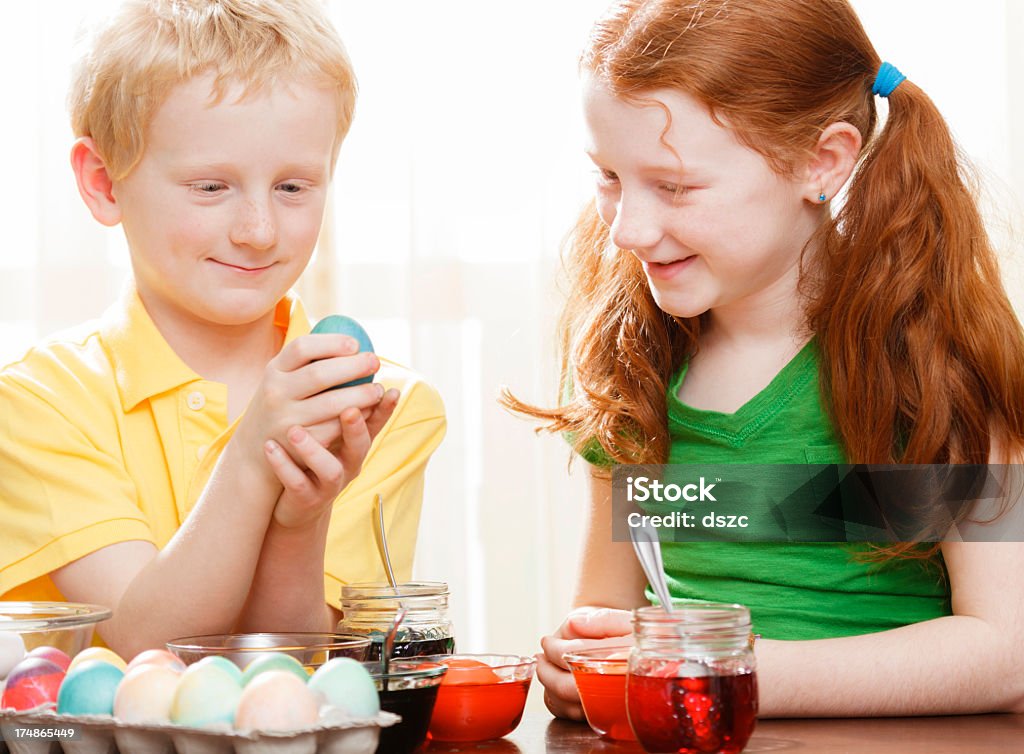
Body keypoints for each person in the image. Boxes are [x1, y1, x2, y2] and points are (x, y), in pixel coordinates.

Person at [504, 0, 1024, 717]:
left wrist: (729, 671)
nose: (628, 227)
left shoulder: (931, 363)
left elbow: (1005, 649)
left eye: (676, 185)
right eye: (609, 177)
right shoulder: (637, 362)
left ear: (822, 161)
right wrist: (585, 662)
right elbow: (605, 604)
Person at [0, 0, 445, 659]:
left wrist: (301, 519)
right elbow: (143, 645)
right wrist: (252, 460)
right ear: (103, 184)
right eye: (211, 187)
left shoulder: (381, 408)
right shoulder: (36, 402)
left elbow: (291, 672)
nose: (259, 231)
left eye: (293, 188)